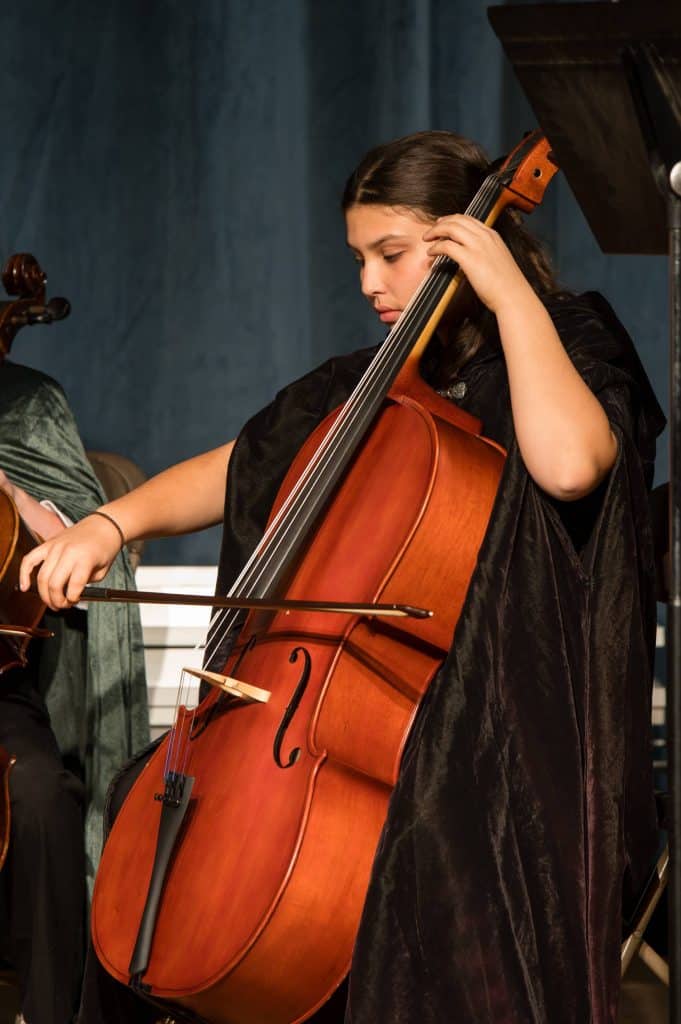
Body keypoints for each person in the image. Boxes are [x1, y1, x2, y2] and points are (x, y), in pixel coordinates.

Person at [20, 131, 664, 1024]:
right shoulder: (376, 378)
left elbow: (567, 466)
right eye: (359, 258)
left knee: (422, 843)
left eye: (390, 255)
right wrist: (108, 523)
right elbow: (242, 464)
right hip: (393, 722)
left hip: (517, 731)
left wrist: (509, 293)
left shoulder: (572, 342)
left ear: (463, 243)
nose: (368, 283)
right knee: (148, 794)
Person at [0, 357, 149, 1024]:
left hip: (2, 687)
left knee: (41, 796)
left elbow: (76, 543)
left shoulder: (27, 405)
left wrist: (12, 493)